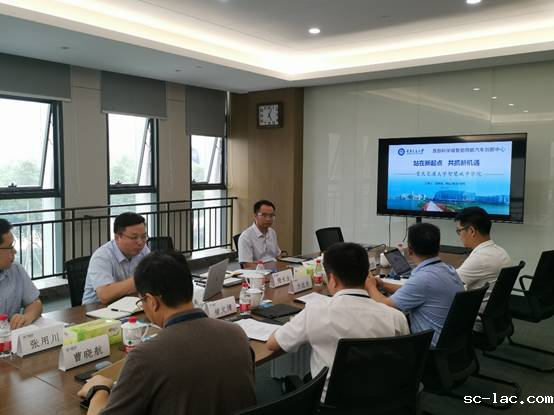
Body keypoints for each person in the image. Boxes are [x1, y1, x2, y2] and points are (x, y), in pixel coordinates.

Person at [77, 251, 256, 415]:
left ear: (152, 301)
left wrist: (99, 389)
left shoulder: (145, 356)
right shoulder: (237, 333)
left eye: (141, 302)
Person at [267, 242, 409, 401]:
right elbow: (403, 362)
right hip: (384, 400)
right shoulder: (396, 317)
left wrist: (297, 323)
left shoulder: (315, 312)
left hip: (330, 403)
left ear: (332, 279)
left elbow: (272, 344)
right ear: (367, 276)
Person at [366, 223, 464, 347]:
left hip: (429, 346)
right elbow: (411, 290)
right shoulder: (448, 269)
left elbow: (386, 305)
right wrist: (383, 284)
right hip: (451, 341)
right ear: (438, 247)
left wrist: (370, 286)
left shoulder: (423, 279)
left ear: (410, 250)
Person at [82, 212, 150, 305]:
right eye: (134, 237)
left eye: (143, 236)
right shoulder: (102, 256)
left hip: (127, 304)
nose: (140, 242)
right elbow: (105, 295)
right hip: (96, 309)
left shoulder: (143, 250)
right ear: (117, 237)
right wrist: (140, 279)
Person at [455, 206, 512, 310]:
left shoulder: (480, 258)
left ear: (471, 231)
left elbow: (449, 284)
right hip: (493, 313)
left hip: (472, 314)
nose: (459, 235)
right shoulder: (501, 252)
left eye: (459, 231)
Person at [0, 219, 42, 329]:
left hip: (11, 336)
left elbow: (35, 303)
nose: (14, 251)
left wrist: (26, 316)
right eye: (10, 247)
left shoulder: (16, 270)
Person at [238, 199, 281, 267]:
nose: (268, 219)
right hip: (259, 271)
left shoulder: (272, 232)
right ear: (255, 215)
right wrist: (267, 269)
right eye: (264, 215)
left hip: (275, 270)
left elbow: (278, 256)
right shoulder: (246, 237)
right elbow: (247, 265)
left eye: (271, 215)